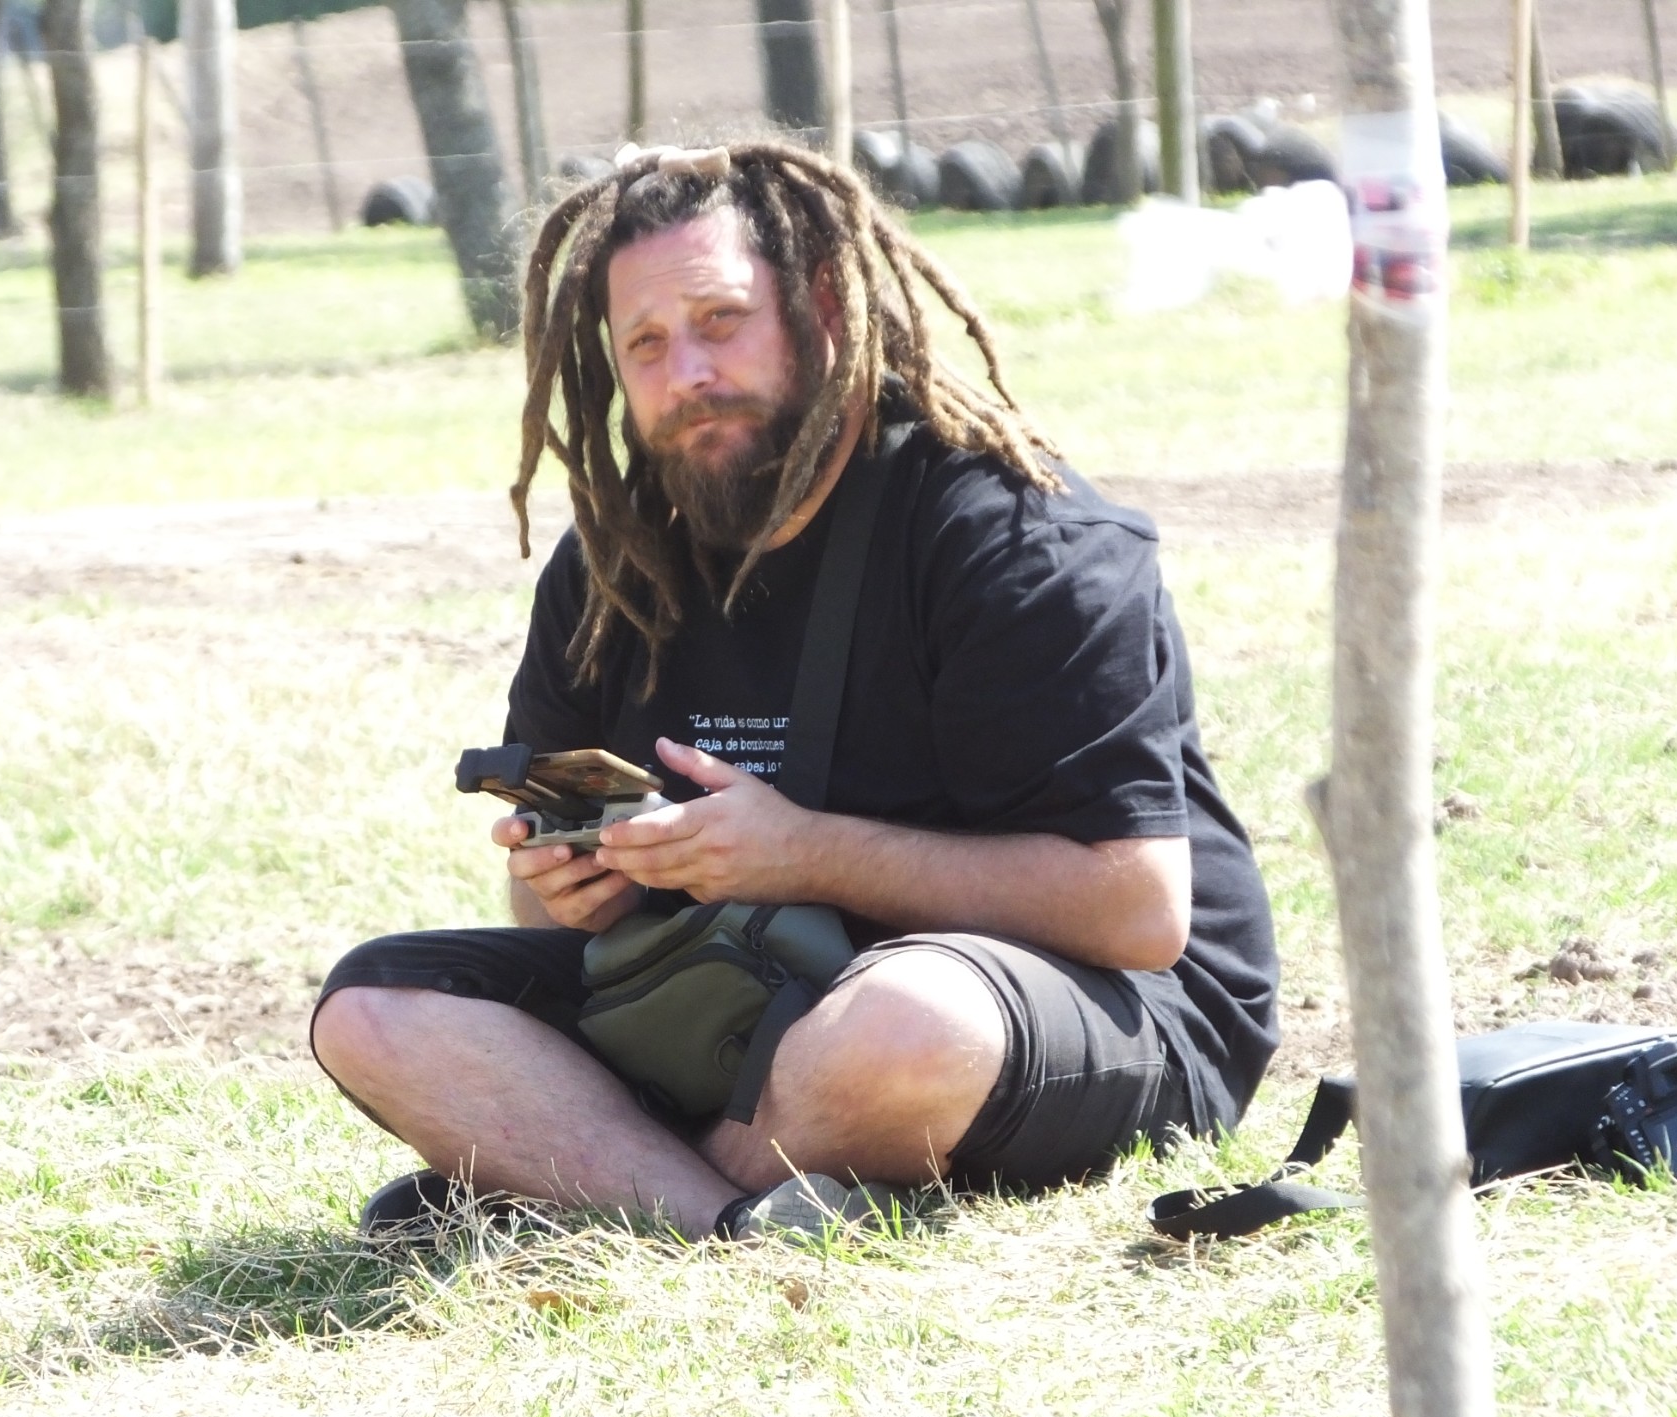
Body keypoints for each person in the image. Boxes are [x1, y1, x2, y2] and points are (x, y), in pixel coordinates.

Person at [310, 140, 1279, 1243]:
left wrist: (806, 853)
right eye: (646, 344)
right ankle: (722, 1220)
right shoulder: (612, 566)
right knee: (373, 1010)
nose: (687, 374)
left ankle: (583, 1178)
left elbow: (1137, 910)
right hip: (735, 996)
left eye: (721, 321)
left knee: (900, 1027)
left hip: (1080, 1004)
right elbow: (551, 918)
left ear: (823, 308)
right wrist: (579, 890)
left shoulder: (1016, 537)